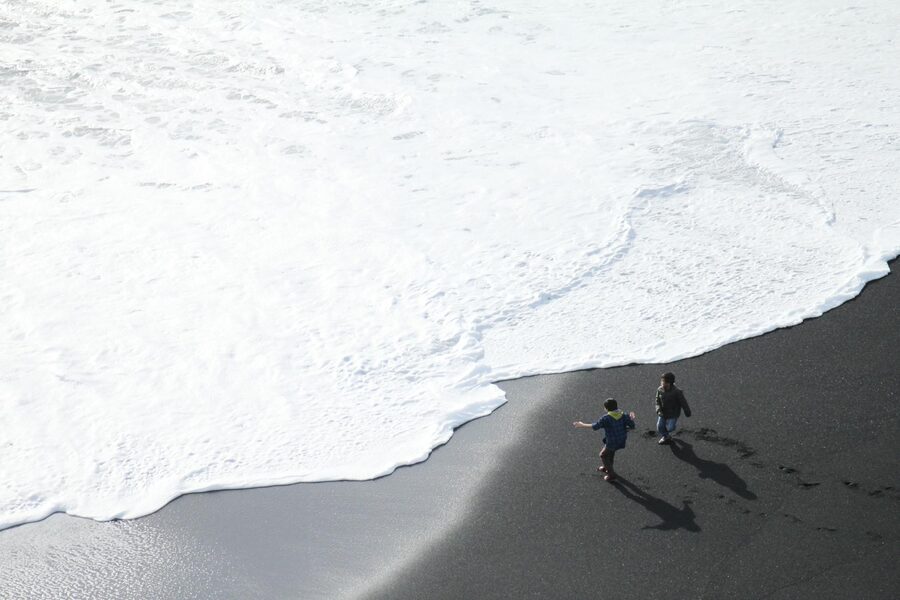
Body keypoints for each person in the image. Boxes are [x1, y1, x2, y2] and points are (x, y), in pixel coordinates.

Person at [573, 398, 636, 482]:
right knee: (611, 453)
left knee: (603, 455)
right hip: (621, 439)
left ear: (606, 408)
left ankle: (611, 474)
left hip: (611, 441)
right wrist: (631, 418)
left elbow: (595, 426)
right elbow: (632, 426)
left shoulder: (606, 418)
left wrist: (581, 425)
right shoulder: (624, 415)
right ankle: (607, 467)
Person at [655, 372, 691, 445]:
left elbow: (683, 402)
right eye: (662, 381)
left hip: (673, 414)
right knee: (659, 427)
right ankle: (666, 436)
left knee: (670, 428)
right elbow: (657, 401)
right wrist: (658, 410)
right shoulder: (659, 390)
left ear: (669, 383)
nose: (662, 383)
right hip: (662, 413)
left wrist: (687, 411)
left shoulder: (677, 392)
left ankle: (670, 428)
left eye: (664, 382)